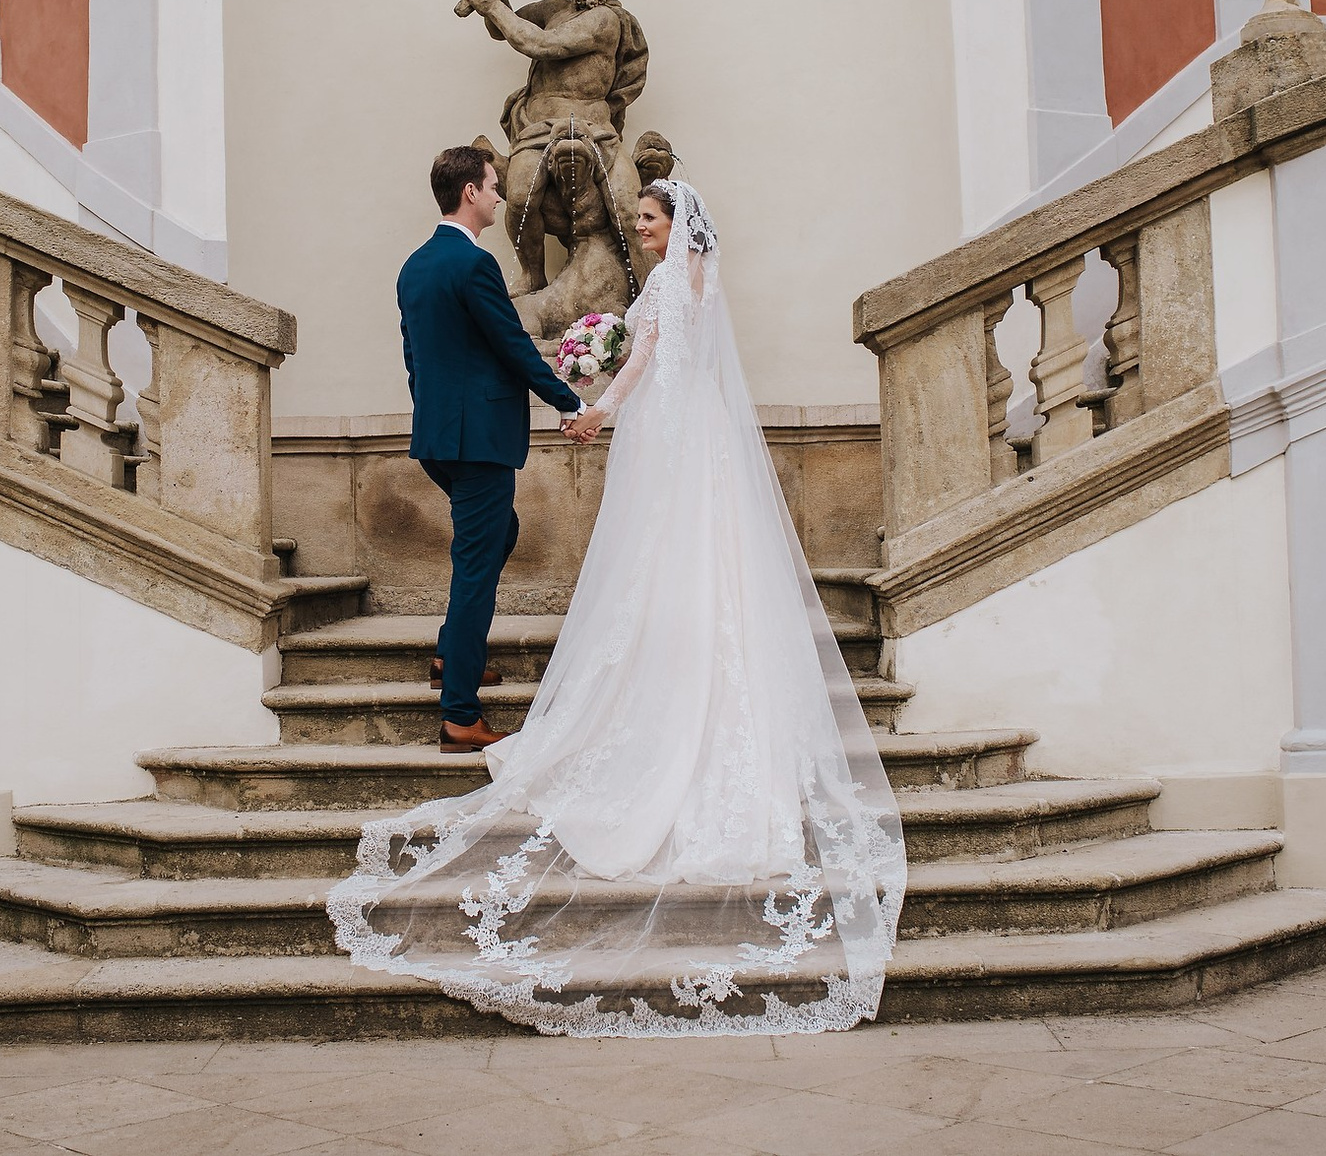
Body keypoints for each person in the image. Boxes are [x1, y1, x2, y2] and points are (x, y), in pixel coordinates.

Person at [333, 177, 907, 1036]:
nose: (637, 228)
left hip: (660, 434)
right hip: (682, 432)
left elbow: (641, 359)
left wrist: (590, 402)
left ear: (676, 227)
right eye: (636, 218)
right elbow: (638, 349)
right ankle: (485, 675)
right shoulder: (686, 279)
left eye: (648, 219)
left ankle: (496, 680)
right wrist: (587, 391)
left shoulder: (663, 283)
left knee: (654, 560)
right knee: (676, 564)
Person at [398, 145, 589, 753]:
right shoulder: (473, 265)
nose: (501, 195)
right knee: (477, 563)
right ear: (469, 194)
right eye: (492, 185)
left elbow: (415, 357)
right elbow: (511, 344)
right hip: (477, 440)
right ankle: (459, 712)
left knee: (495, 534)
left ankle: (456, 654)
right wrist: (570, 403)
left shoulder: (415, 265)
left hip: (439, 436)